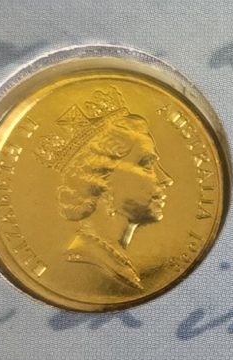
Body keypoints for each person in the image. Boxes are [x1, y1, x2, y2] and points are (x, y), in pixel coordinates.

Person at [54, 102, 174, 293]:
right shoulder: (85, 266)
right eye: (147, 164)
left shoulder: (116, 262)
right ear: (101, 177)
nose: (166, 179)